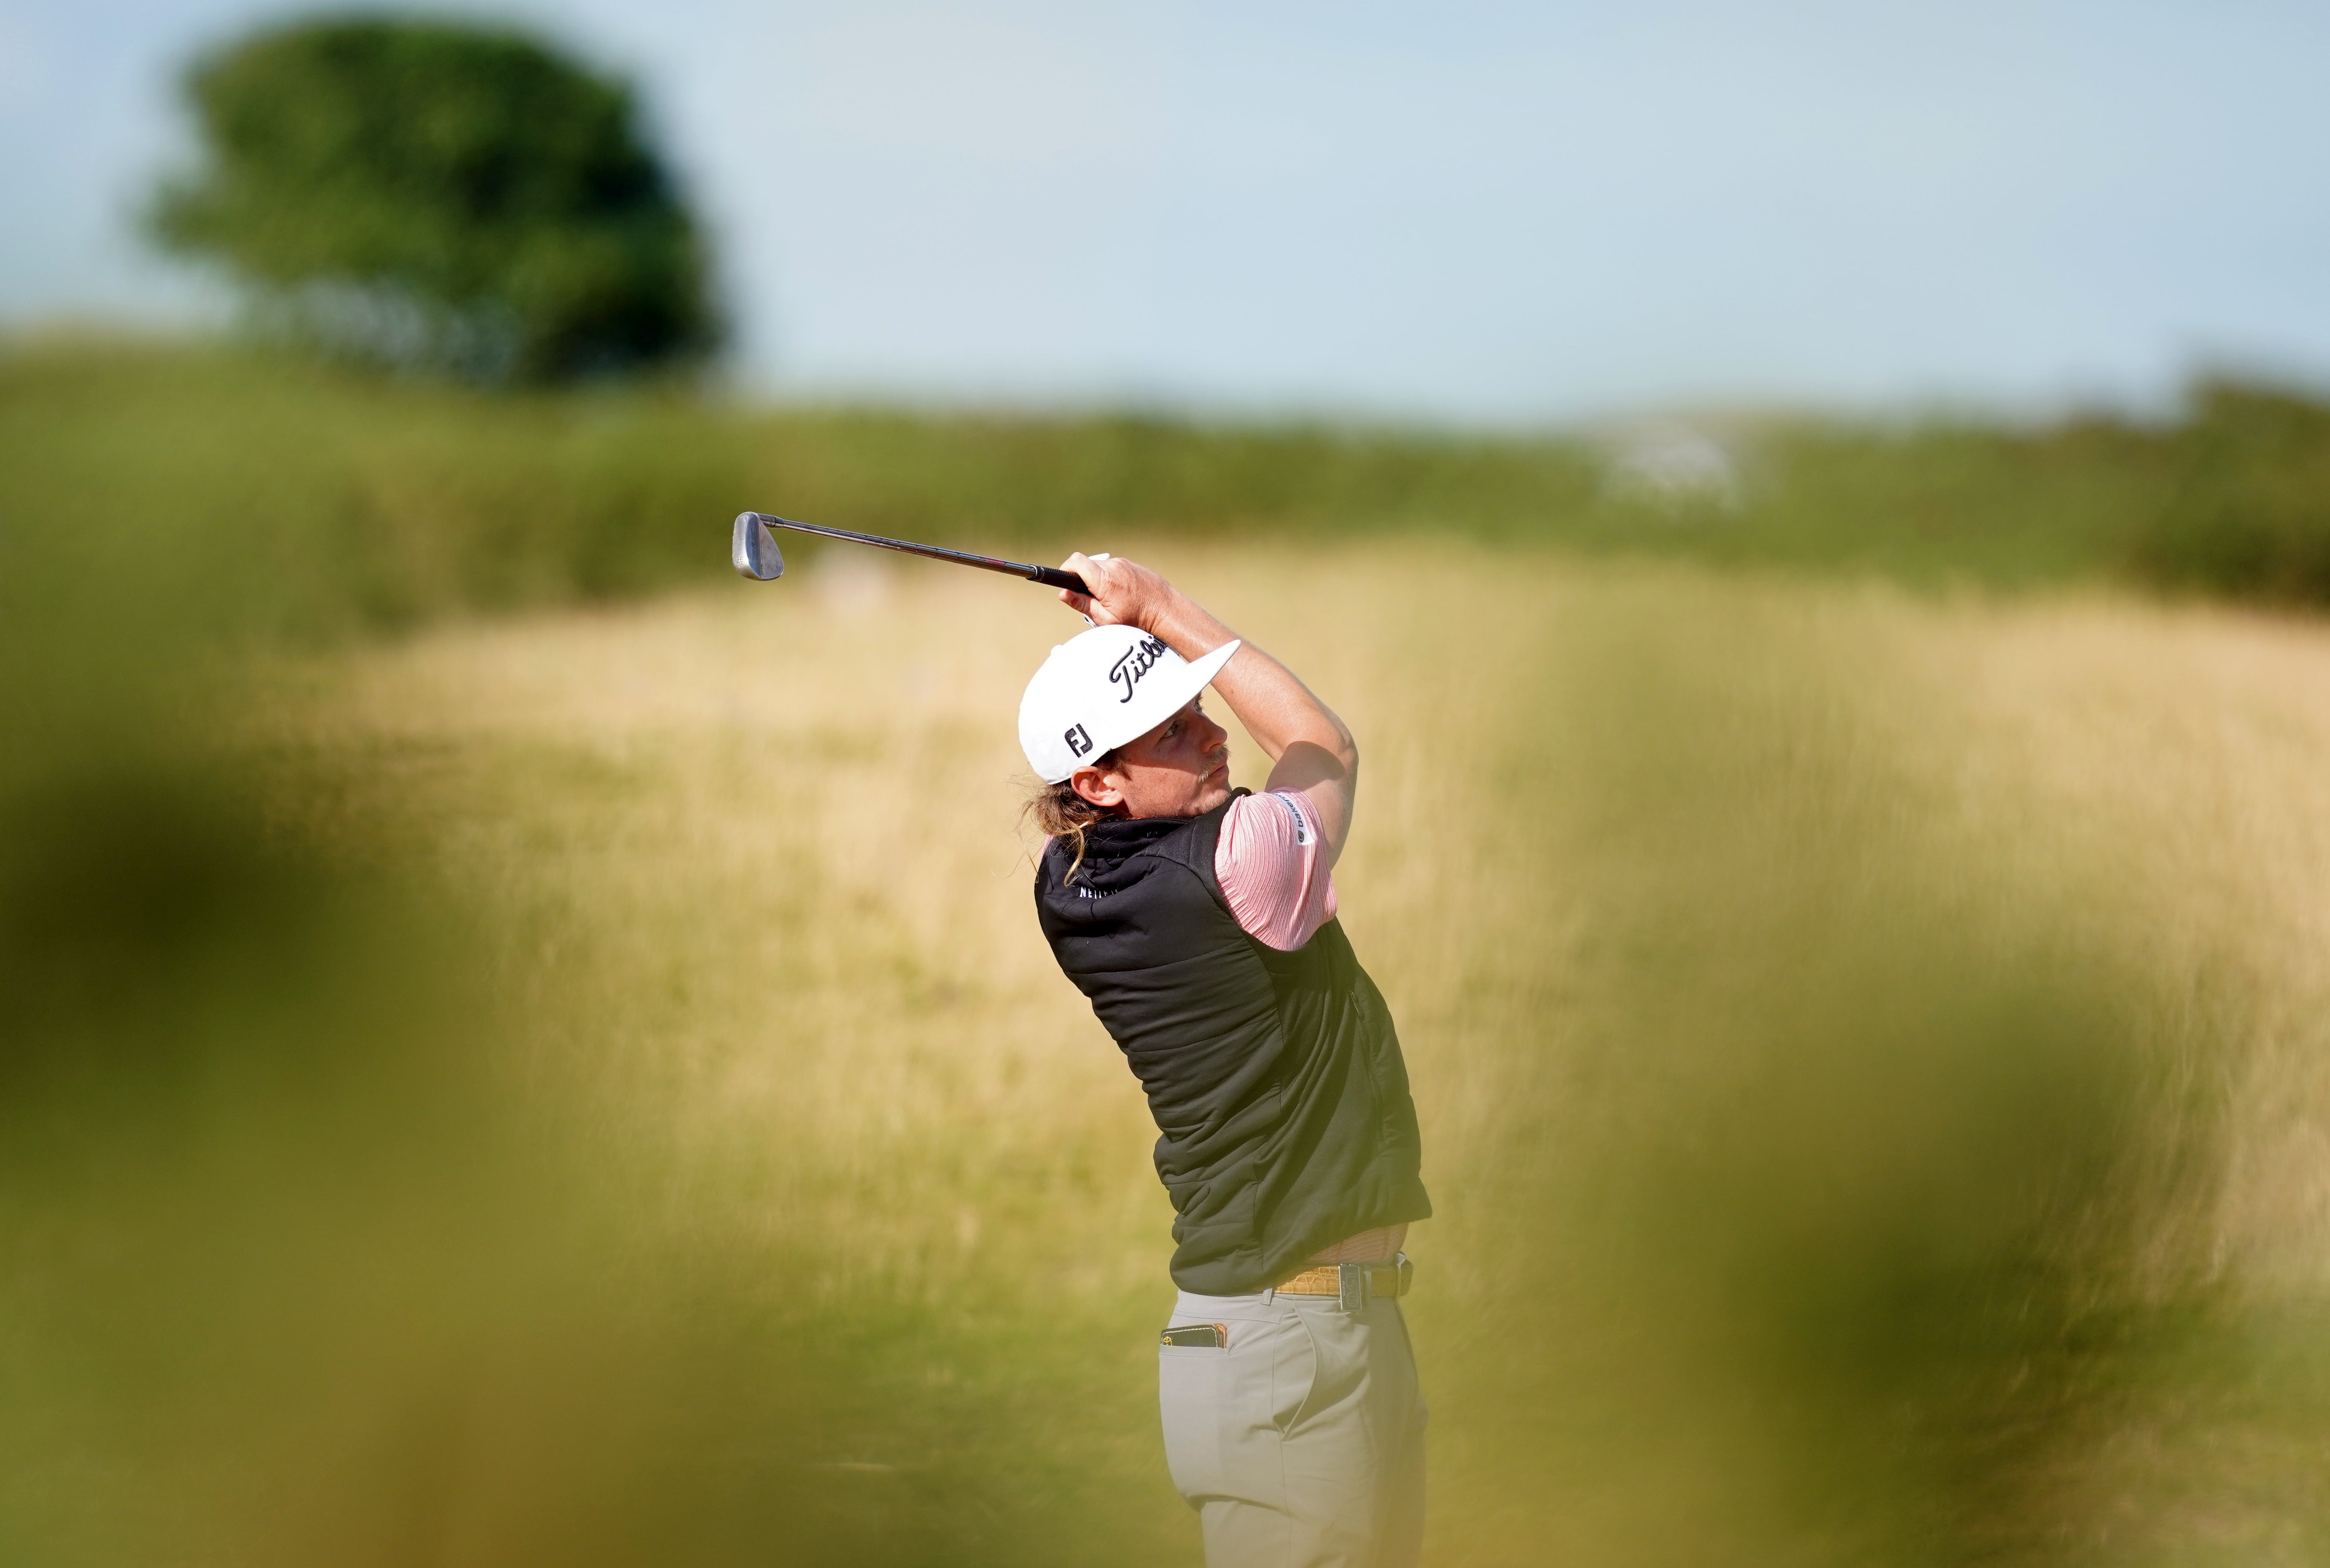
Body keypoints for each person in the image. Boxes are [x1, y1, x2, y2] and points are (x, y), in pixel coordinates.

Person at [1018, 552, 1432, 1568]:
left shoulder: (1072, 876)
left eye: (1198, 706)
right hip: (1286, 1344)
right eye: (1172, 729)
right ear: (1098, 779)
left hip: (1299, 1334)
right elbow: (1320, 743)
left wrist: (1132, 649)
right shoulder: (1237, 858)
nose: (1211, 731)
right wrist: (1159, 607)